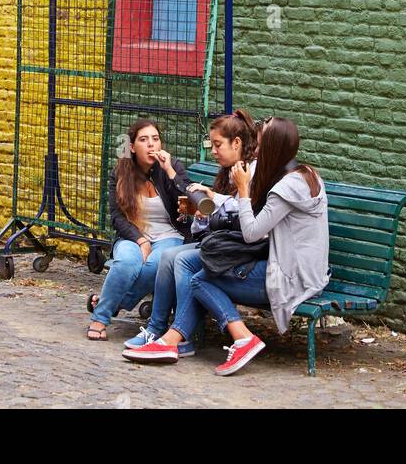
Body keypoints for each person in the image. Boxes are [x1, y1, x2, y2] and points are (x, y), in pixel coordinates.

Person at [129, 116, 328, 375]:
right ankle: (171, 340)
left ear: (271, 147)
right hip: (284, 264)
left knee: (200, 279)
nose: (254, 148)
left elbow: (252, 233)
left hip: (291, 276)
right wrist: (217, 200)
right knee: (187, 263)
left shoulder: (287, 186)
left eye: (258, 142)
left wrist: (243, 191)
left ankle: (240, 338)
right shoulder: (300, 174)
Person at [122, 108, 259, 359]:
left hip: (239, 250)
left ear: (237, 143)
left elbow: (244, 217)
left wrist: (212, 199)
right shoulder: (228, 171)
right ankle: (156, 328)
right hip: (223, 244)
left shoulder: (249, 172)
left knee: (181, 259)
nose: (213, 151)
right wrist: (201, 216)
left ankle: (181, 336)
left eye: (218, 145)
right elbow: (215, 220)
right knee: (168, 257)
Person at [86, 119, 190, 340]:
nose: (151, 145)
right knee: (126, 262)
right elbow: (116, 217)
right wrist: (141, 240)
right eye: (144, 140)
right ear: (132, 147)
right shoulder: (121, 173)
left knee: (155, 264)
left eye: (155, 139)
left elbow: (187, 202)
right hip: (132, 235)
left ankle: (108, 305)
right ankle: (99, 320)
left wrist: (169, 171)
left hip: (170, 236)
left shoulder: (173, 167)